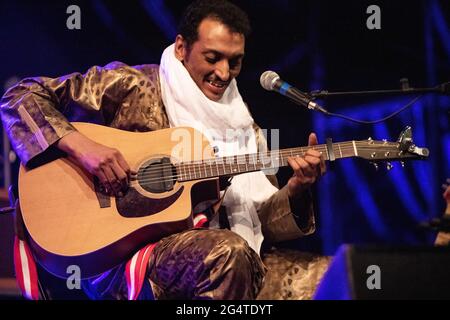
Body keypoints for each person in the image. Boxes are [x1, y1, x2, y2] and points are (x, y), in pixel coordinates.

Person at [1, 0, 327, 300]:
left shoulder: (244, 125)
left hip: (235, 257)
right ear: (182, 48)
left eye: (235, 62)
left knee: (331, 277)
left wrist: (298, 187)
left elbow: (264, 224)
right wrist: (84, 148)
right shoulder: (133, 86)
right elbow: (20, 97)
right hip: (132, 257)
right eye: (212, 58)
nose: (224, 73)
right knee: (228, 253)